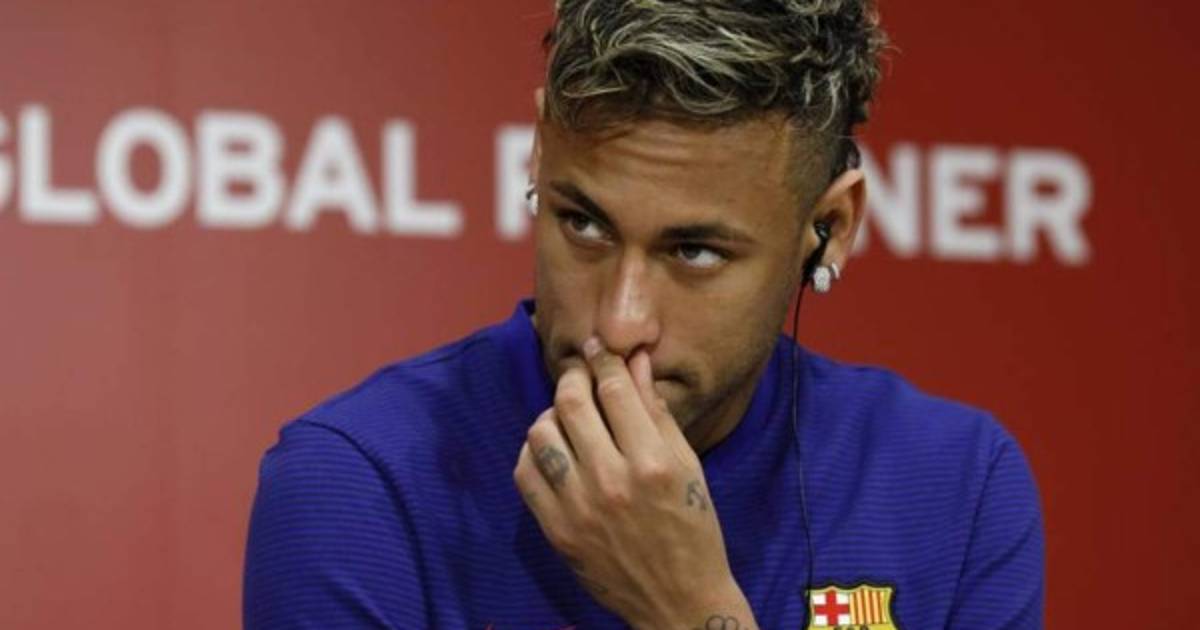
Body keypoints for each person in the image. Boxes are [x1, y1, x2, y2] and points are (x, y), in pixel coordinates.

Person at [243, 1, 1044, 628]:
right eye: (584, 224)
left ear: (830, 227)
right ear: (539, 157)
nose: (620, 323)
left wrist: (688, 611)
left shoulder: (955, 488)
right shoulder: (359, 483)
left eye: (694, 251)